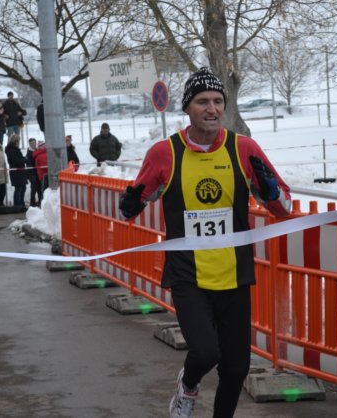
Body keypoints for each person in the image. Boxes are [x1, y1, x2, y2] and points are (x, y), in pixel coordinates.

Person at [118, 67, 291, 418]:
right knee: (206, 352)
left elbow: (284, 208)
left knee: (236, 368)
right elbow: (130, 209)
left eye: (217, 101)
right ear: (187, 108)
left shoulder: (243, 148)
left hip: (234, 273)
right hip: (188, 274)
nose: (211, 109)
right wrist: (131, 203)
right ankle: (188, 386)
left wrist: (271, 191)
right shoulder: (164, 153)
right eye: (202, 102)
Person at [5, 134, 27, 209]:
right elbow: (16, 160)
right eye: (18, 141)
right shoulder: (11, 150)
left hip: (20, 172)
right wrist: (24, 159)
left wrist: (23, 159)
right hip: (16, 172)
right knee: (19, 189)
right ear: (15, 141)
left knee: (22, 188)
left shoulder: (14, 149)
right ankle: (17, 205)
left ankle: (21, 204)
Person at [25, 138, 42, 207]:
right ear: (29, 144)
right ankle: (32, 202)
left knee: (39, 187)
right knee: (34, 188)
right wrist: (32, 175)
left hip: (38, 172)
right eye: (32, 143)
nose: (33, 144)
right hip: (32, 173)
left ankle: (40, 200)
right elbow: (29, 164)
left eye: (34, 143)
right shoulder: (29, 153)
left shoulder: (37, 150)